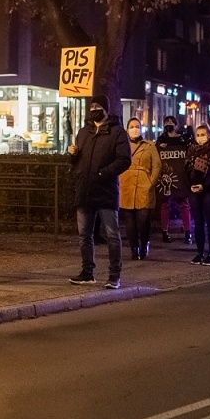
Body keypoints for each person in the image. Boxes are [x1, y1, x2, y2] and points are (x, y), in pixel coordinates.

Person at [68, 94, 131, 288]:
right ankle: (87, 272)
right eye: (91, 106)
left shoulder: (117, 132)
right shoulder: (83, 132)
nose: (93, 109)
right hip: (85, 190)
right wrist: (72, 156)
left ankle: (114, 275)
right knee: (84, 235)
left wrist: (104, 173)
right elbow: (75, 161)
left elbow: (124, 159)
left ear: (105, 109)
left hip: (106, 191)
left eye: (97, 106)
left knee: (112, 234)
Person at [118, 118, 158, 260]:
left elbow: (157, 166)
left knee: (143, 220)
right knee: (129, 221)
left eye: (137, 126)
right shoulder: (122, 146)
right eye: (131, 126)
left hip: (143, 186)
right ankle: (134, 248)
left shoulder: (149, 146)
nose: (134, 129)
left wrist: (150, 182)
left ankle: (144, 243)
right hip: (127, 185)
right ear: (127, 129)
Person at [184, 122, 210, 265]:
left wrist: (204, 186)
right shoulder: (191, 150)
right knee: (198, 223)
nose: (200, 138)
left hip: (209, 191)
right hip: (194, 190)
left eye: (203, 135)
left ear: (209, 135)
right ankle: (199, 253)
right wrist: (190, 186)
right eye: (198, 135)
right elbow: (185, 170)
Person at [153, 117, 191, 245]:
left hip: (180, 175)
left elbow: (189, 153)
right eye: (166, 123)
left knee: (184, 203)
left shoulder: (184, 139)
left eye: (171, 123)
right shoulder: (161, 140)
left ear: (176, 125)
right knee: (165, 204)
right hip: (167, 175)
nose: (168, 125)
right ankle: (165, 232)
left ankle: (188, 233)